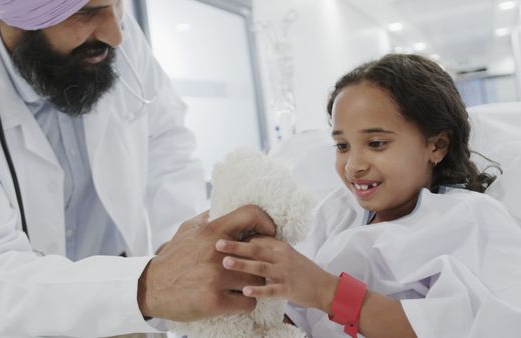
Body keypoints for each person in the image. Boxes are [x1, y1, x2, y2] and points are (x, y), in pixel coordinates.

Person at [0, 1, 273, 337]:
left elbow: (168, 148)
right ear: (24, 13)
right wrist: (146, 287)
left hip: (134, 319)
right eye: (86, 11)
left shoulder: (113, 39)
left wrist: (176, 251)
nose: (115, 33)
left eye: (117, 4)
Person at [216, 54, 521, 337]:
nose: (353, 166)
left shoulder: (470, 219)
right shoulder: (336, 213)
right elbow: (297, 311)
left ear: (436, 146)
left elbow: (477, 326)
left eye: (376, 143)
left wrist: (327, 292)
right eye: (342, 146)